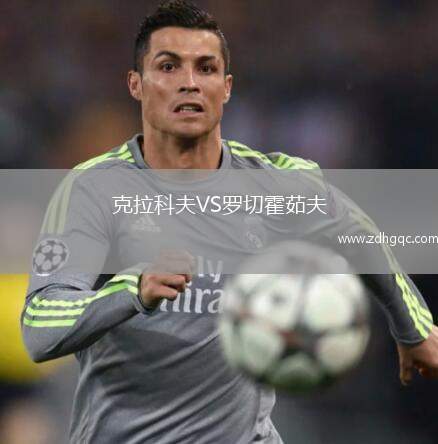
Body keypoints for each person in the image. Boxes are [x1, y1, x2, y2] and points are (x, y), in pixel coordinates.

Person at [21, 1, 438, 443]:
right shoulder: (94, 189)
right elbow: (41, 326)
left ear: (226, 87)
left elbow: (358, 233)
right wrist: (132, 290)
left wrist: (412, 327)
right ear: (136, 84)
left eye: (206, 68)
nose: (189, 82)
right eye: (168, 66)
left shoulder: (272, 183)